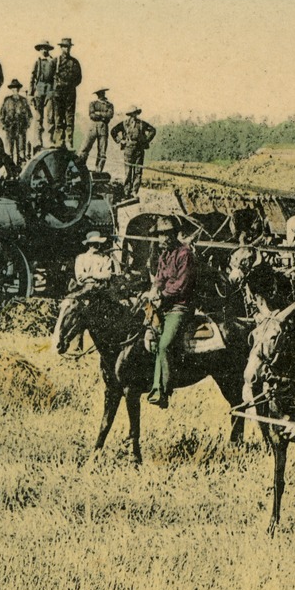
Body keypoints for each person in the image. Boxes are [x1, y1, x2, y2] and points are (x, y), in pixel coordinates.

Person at [147, 222, 195, 408]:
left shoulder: (185, 255)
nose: (164, 238)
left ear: (175, 235)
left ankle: (163, 390)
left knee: (165, 344)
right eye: (161, 235)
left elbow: (182, 285)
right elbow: (159, 279)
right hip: (164, 304)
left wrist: (162, 295)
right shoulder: (164, 255)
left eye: (168, 234)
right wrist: (153, 291)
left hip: (180, 307)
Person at [113, 107, 156, 196]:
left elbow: (153, 130)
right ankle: (126, 191)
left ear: (137, 114)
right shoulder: (124, 124)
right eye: (132, 114)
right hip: (128, 149)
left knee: (138, 171)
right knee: (128, 171)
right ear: (129, 115)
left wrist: (146, 141)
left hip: (139, 149)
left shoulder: (141, 123)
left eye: (135, 114)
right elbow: (113, 131)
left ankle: (134, 191)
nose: (133, 116)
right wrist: (120, 140)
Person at [50, 37, 82, 149]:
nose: (66, 49)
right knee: (58, 117)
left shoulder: (74, 62)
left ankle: (69, 141)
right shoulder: (55, 61)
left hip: (70, 93)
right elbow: (50, 77)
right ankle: (59, 140)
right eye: (64, 47)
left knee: (70, 118)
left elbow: (79, 78)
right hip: (58, 94)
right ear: (61, 47)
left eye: (68, 47)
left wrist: (70, 85)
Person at [28, 40, 56, 152]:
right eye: (42, 48)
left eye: (46, 48)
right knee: (38, 117)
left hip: (49, 89)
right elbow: (32, 78)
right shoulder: (37, 61)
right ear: (40, 50)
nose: (44, 50)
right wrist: (30, 94)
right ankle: (38, 141)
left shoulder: (53, 61)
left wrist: (54, 91)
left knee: (50, 116)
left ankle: (50, 139)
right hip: (39, 87)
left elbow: (55, 78)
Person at [80, 87, 115, 171]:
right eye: (99, 93)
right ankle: (80, 166)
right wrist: (103, 115)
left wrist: (98, 113)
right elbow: (92, 115)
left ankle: (98, 170)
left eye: (102, 93)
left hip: (103, 129)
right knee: (85, 147)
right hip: (93, 128)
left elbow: (109, 115)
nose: (101, 95)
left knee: (102, 151)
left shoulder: (109, 105)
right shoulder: (93, 103)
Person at [0, 79, 33, 163]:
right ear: (11, 89)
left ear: (19, 89)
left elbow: (29, 116)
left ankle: (20, 169)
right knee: (9, 151)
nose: (15, 90)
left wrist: (26, 126)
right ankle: (10, 171)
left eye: (17, 88)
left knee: (21, 151)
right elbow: (1, 115)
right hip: (10, 129)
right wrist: (3, 126)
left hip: (20, 129)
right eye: (13, 88)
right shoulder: (7, 101)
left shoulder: (24, 101)